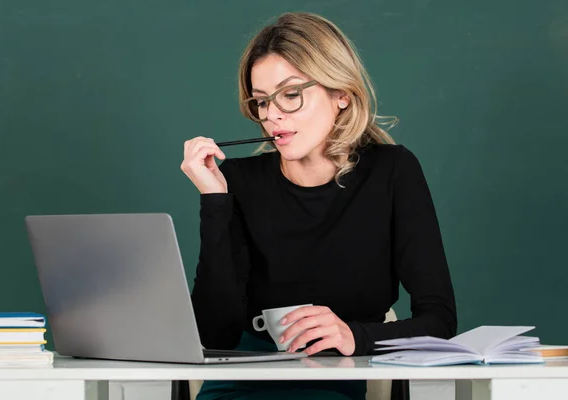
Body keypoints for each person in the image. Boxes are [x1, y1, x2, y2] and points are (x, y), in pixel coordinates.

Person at [180, 11, 457, 400]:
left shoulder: (392, 170)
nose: (272, 115)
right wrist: (214, 200)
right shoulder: (238, 182)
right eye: (261, 101)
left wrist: (353, 335)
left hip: (336, 377)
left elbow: (440, 319)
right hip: (241, 381)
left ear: (340, 93)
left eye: (290, 94)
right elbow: (214, 334)